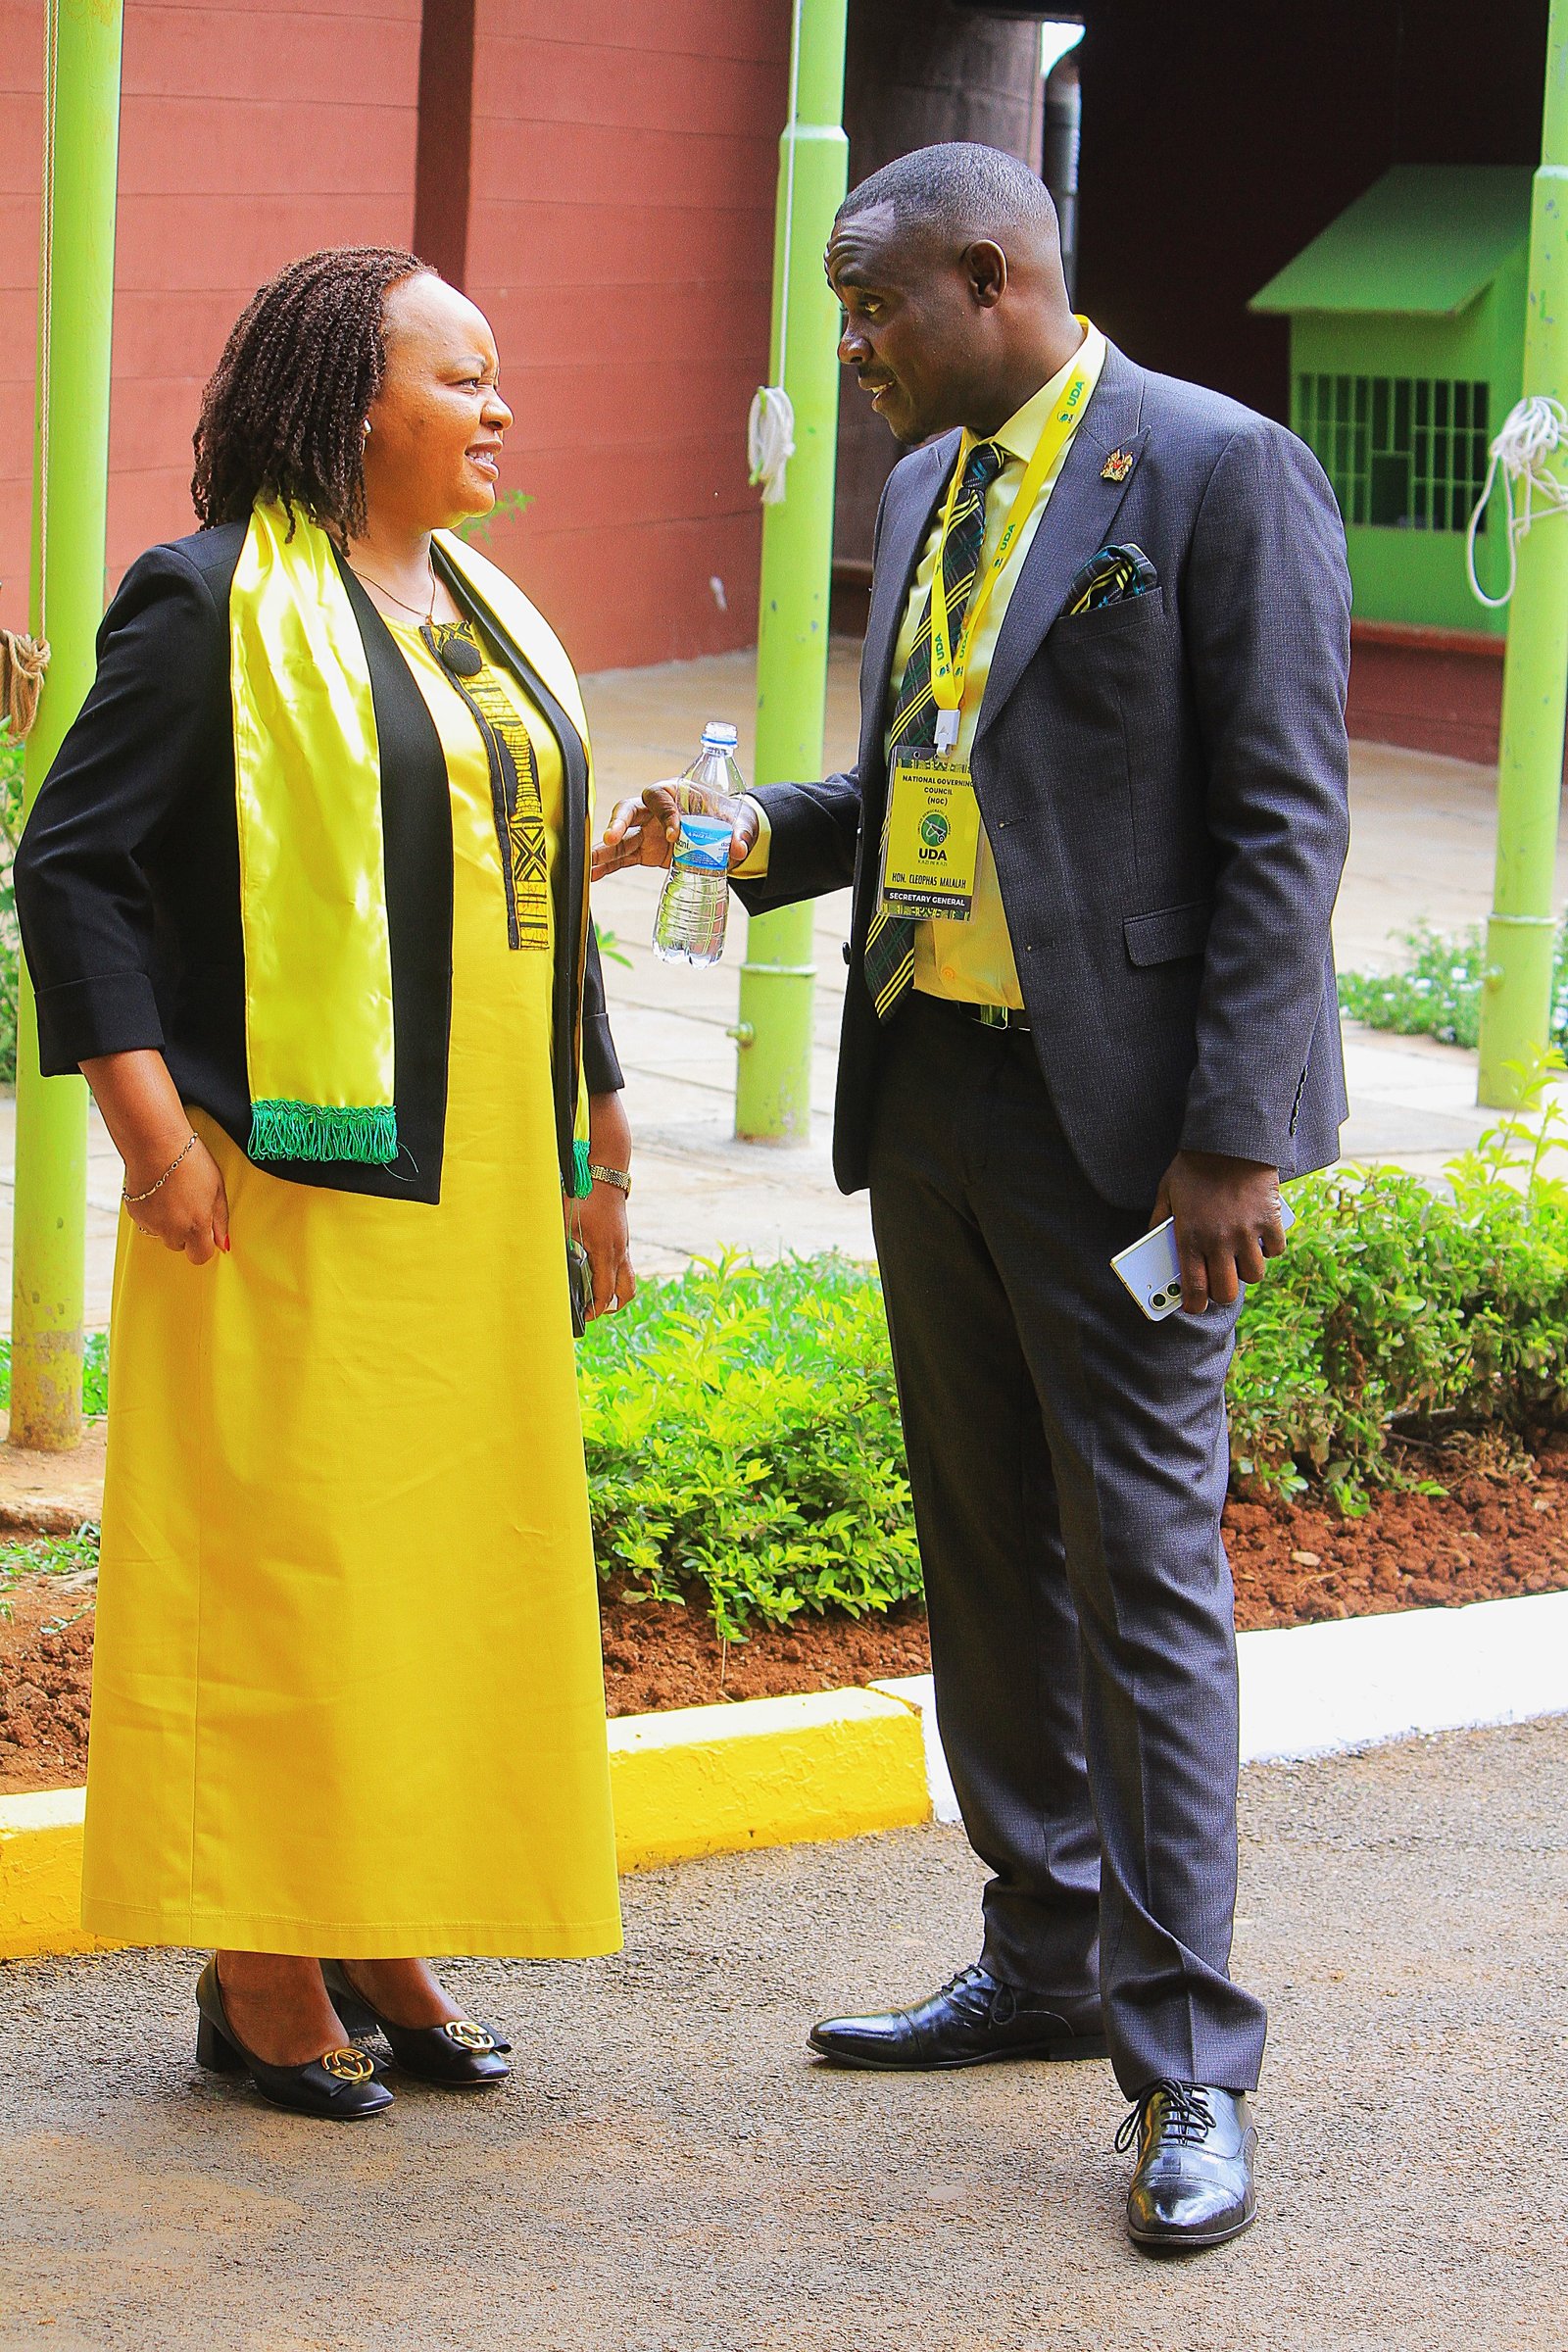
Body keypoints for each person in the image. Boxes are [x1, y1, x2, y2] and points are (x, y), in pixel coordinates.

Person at [596, 143, 1350, 2247]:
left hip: (1127, 1136)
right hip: (928, 1098)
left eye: (872, 309)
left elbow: (1280, 826)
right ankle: (1038, 1959)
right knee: (988, 1564)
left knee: (1140, 1585)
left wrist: (1233, 1138)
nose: (850, 351)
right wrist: (741, 842)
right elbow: (932, 787)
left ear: (990, 274)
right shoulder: (928, 490)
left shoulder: (1213, 473)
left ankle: (1186, 2060)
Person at [15, 248, 635, 2118]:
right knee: (286, 1572)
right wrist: (151, 1132)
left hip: (474, 1196)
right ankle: (259, 1964)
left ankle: (377, 1925)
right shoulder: (205, 602)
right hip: (277, 1187)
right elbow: (72, 868)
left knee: (430, 1576)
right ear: (354, 404)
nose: (499, 409)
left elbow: (537, 887)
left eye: (498, 376)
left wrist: (596, 1129)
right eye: (463, 378)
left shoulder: (492, 618)